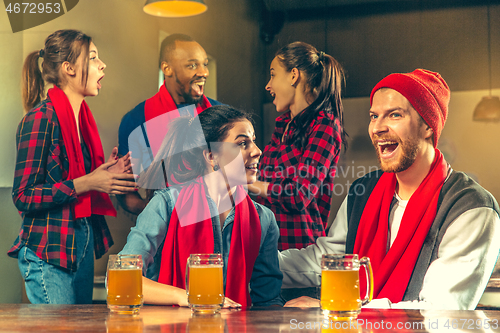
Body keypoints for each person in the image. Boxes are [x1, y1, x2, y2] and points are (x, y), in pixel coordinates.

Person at [278, 69, 500, 310]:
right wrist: (254, 263)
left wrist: (336, 308)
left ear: (427, 126)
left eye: (394, 115)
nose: (377, 128)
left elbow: (440, 310)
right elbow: (327, 260)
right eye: (374, 116)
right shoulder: (362, 191)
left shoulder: (471, 207)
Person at [8, 29, 138, 304]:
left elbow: (80, 178)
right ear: (68, 68)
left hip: (80, 242)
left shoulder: (83, 123)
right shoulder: (40, 119)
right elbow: (22, 196)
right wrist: (89, 182)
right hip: (48, 251)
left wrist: (107, 173)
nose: (102, 65)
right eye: (92, 58)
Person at [119, 105, 284, 307]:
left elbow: (267, 300)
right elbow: (122, 279)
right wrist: (189, 297)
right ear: (211, 156)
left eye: (254, 142)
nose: (257, 151)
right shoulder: (166, 205)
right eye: (242, 143)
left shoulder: (263, 219)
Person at [247, 42, 347, 252]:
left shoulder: (325, 125)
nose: (268, 85)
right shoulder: (283, 124)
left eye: (273, 75)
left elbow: (298, 195)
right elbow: (262, 181)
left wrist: (246, 184)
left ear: (293, 76)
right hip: (268, 247)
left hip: (300, 253)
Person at [117, 34, 222, 215]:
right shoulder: (137, 119)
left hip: (216, 224)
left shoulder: (221, 114)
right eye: (192, 65)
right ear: (167, 68)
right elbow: (124, 190)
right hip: (164, 232)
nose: (204, 72)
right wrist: (153, 213)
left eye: (204, 64)